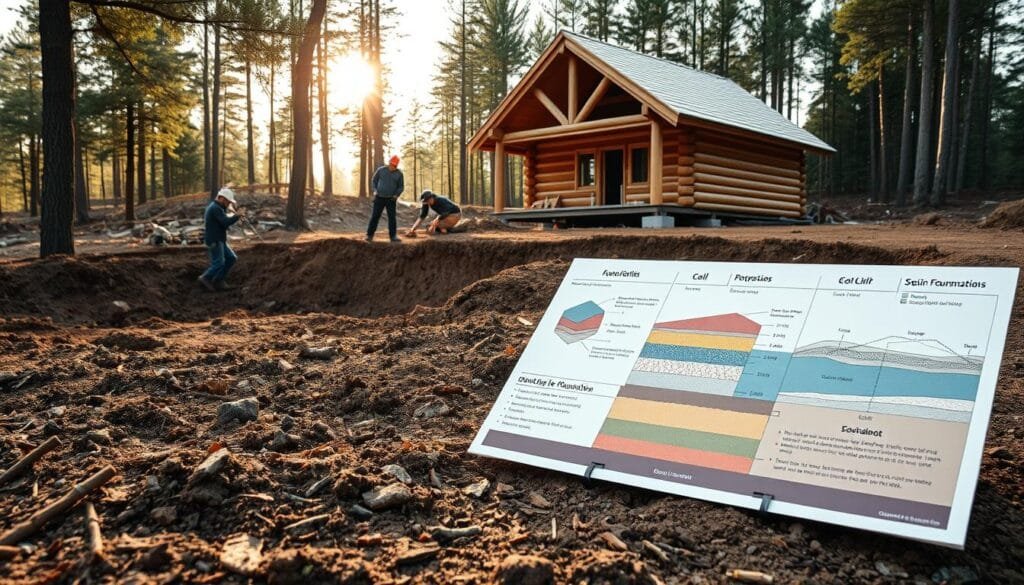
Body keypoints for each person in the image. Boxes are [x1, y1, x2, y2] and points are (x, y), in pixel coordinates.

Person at [198, 188, 243, 292]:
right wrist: (236, 216)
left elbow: (224, 220)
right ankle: (205, 277)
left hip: (219, 239)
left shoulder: (219, 208)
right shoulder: (215, 208)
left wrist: (235, 215)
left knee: (231, 258)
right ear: (221, 198)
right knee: (219, 262)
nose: (228, 204)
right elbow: (225, 222)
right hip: (214, 240)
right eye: (228, 201)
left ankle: (219, 280)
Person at [366, 155, 404, 242]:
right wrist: (375, 190)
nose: (392, 167)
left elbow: (401, 187)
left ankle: (393, 236)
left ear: (396, 165)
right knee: (375, 216)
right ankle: (369, 235)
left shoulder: (399, 174)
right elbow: (374, 181)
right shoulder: (381, 170)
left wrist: (396, 195)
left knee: (392, 218)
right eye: (391, 164)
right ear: (389, 163)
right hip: (379, 198)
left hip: (391, 199)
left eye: (394, 165)